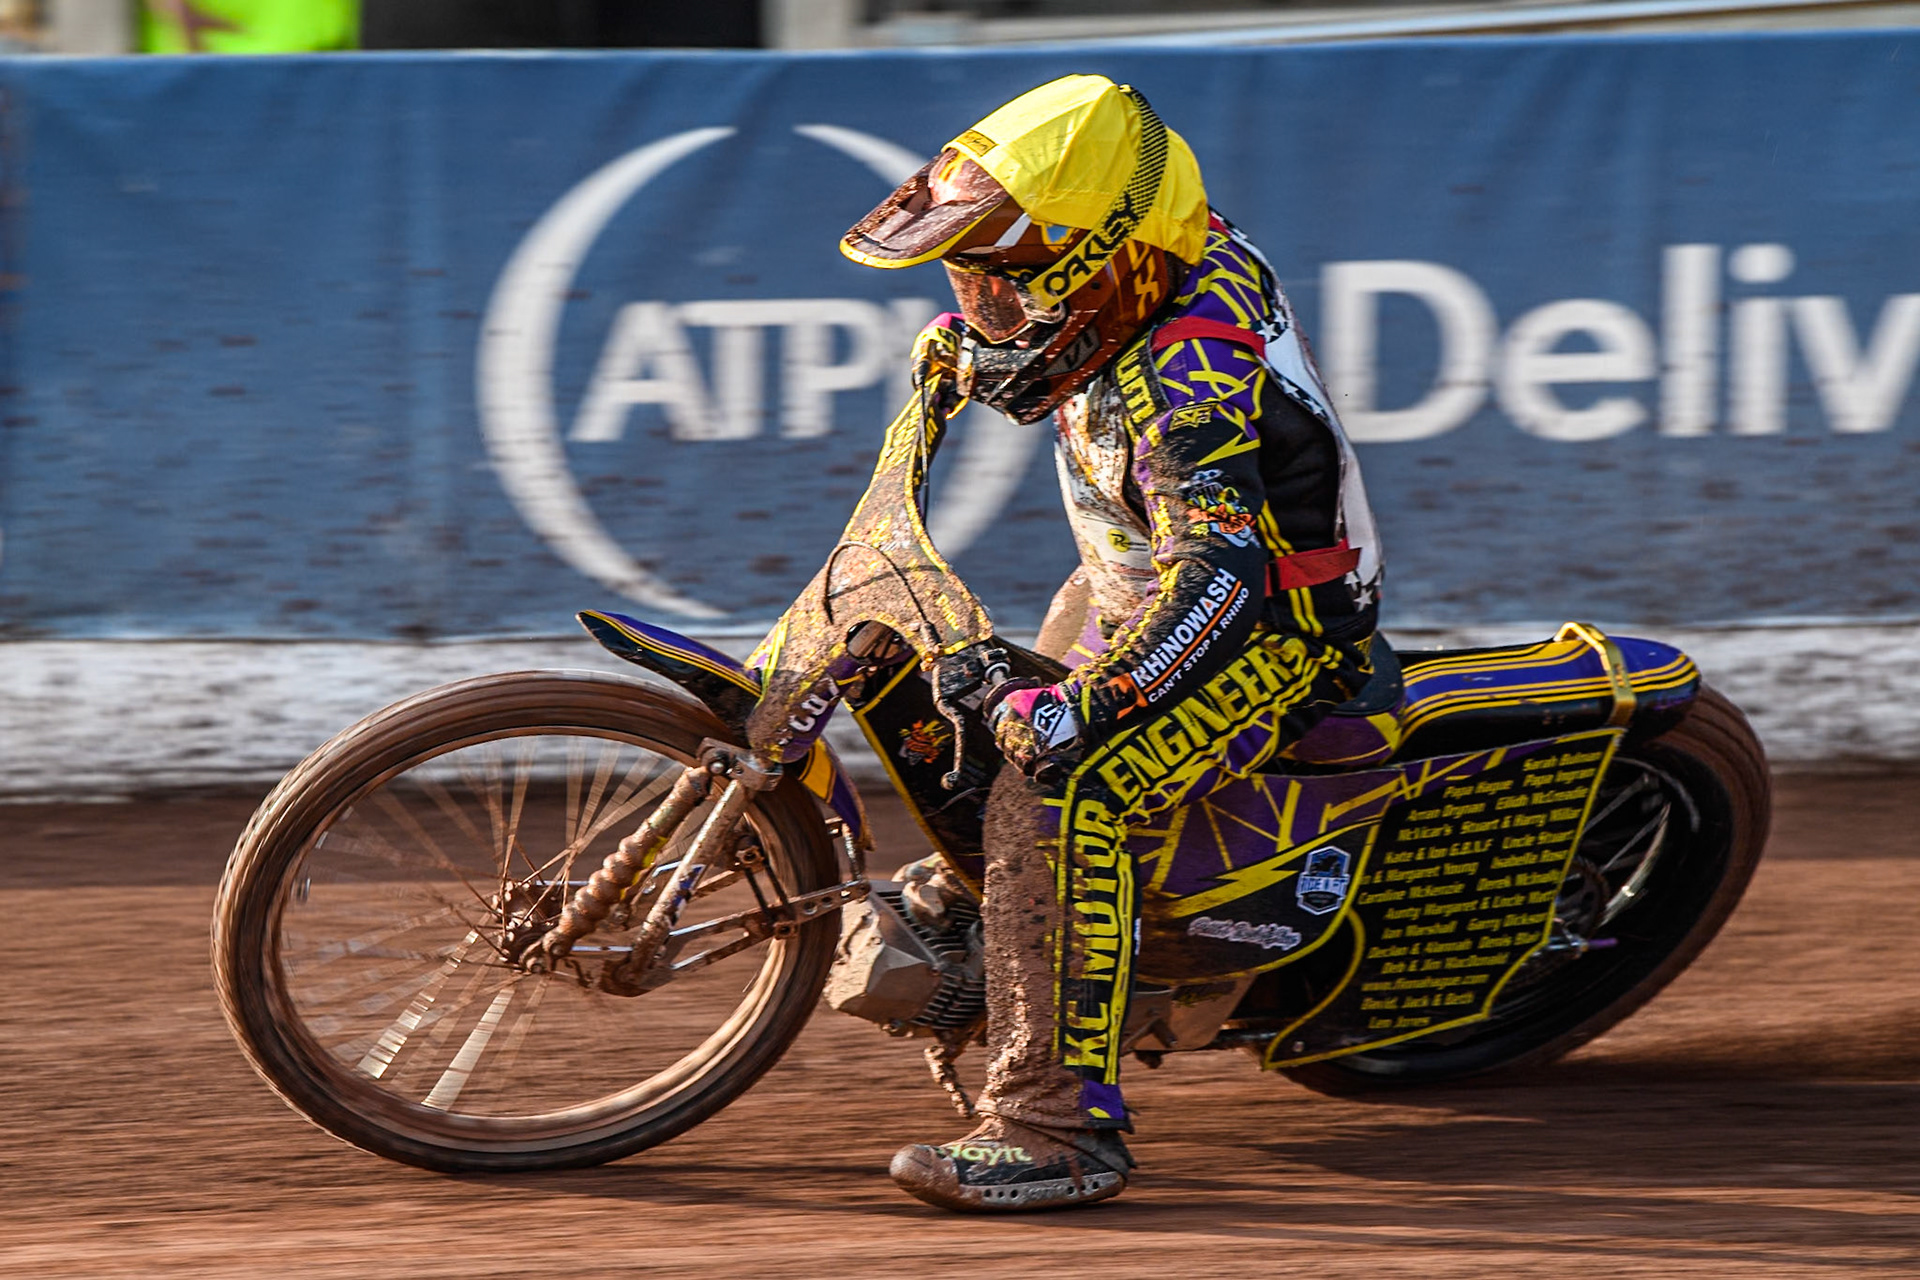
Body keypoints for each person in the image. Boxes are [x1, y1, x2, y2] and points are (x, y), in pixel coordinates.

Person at [840, 73, 1385, 1212]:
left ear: (1103, 267)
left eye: (1005, 285)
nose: (983, 307)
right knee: (972, 706)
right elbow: (1029, 322)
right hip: (1135, 577)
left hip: (1265, 621)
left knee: (1055, 781)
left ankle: (1055, 1129)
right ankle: (1014, 926)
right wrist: (973, 333)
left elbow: (1223, 574)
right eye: (964, 279)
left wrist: (1085, 708)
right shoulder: (1156, 250)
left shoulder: (1192, 373)